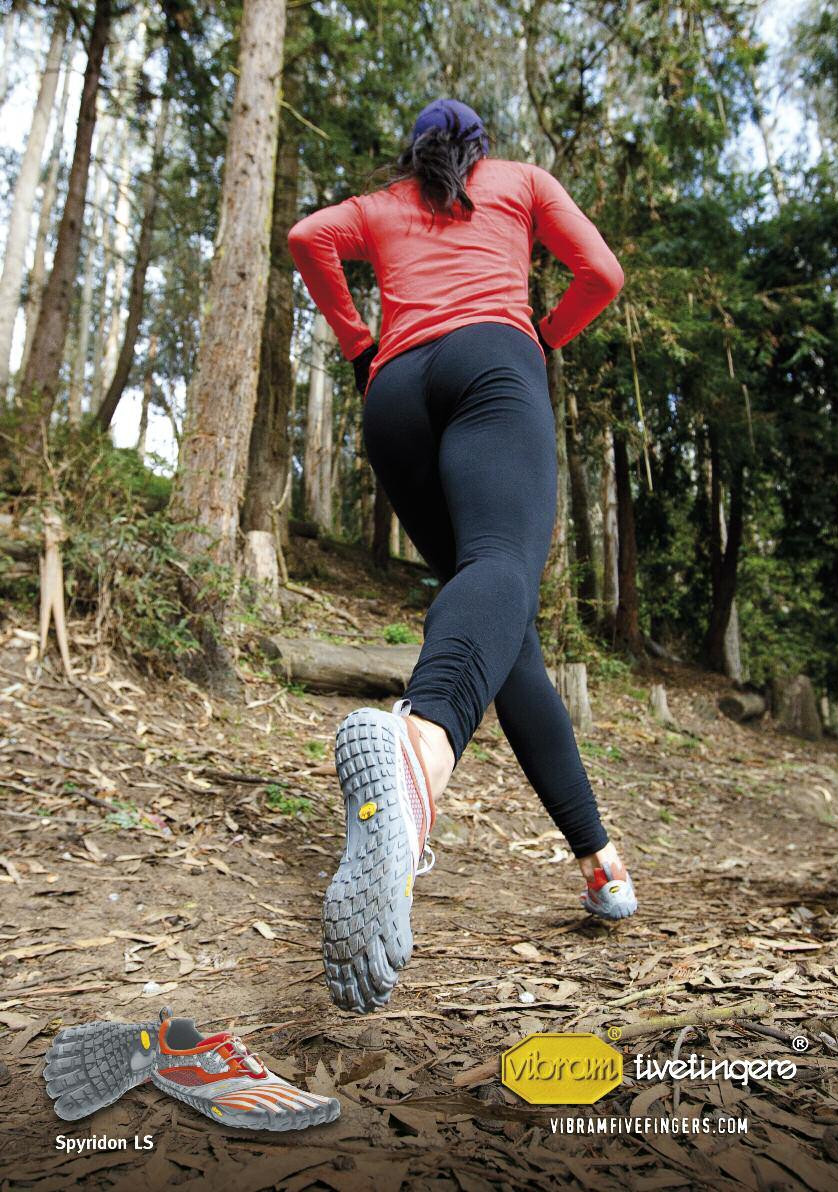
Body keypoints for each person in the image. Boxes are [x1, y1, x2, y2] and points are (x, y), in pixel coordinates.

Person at [288, 98, 636, 1015]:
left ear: (415, 152)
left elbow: (306, 237)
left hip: (395, 392)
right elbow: (601, 274)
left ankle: (597, 858)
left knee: (500, 619)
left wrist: (357, 341)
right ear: (479, 147)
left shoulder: (380, 205)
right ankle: (421, 746)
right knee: (501, 572)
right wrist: (544, 337)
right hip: (490, 367)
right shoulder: (519, 183)